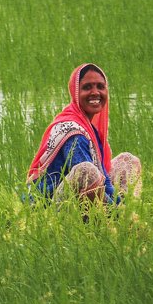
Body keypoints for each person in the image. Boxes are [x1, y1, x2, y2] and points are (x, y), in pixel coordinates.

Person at [28, 63, 141, 205]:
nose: (95, 92)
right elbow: (88, 178)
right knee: (86, 171)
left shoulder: (87, 127)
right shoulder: (74, 133)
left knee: (128, 160)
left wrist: (118, 202)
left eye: (100, 86)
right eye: (87, 87)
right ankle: (117, 215)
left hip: (77, 192)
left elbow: (103, 178)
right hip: (50, 203)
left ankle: (125, 209)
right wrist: (117, 207)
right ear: (75, 92)